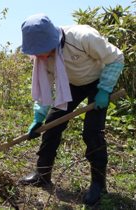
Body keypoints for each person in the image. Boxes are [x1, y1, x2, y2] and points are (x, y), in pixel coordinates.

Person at [19, 13, 124, 206]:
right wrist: (39, 115)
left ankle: (99, 184)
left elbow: (116, 58)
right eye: (37, 51)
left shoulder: (83, 37)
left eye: (43, 49)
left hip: (99, 82)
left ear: (53, 39)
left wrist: (105, 89)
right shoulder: (42, 56)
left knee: (92, 132)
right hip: (71, 84)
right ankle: (42, 173)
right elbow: (45, 85)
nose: (40, 55)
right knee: (51, 125)